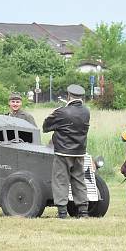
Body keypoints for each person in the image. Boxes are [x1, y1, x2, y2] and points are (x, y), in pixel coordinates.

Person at [42, 85, 90, 219]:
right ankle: (83, 211)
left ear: (68, 96)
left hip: (63, 151)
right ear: (81, 97)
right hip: (79, 151)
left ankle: (62, 212)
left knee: (60, 181)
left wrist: (55, 113)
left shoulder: (62, 112)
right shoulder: (86, 111)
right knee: (79, 180)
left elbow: (46, 126)